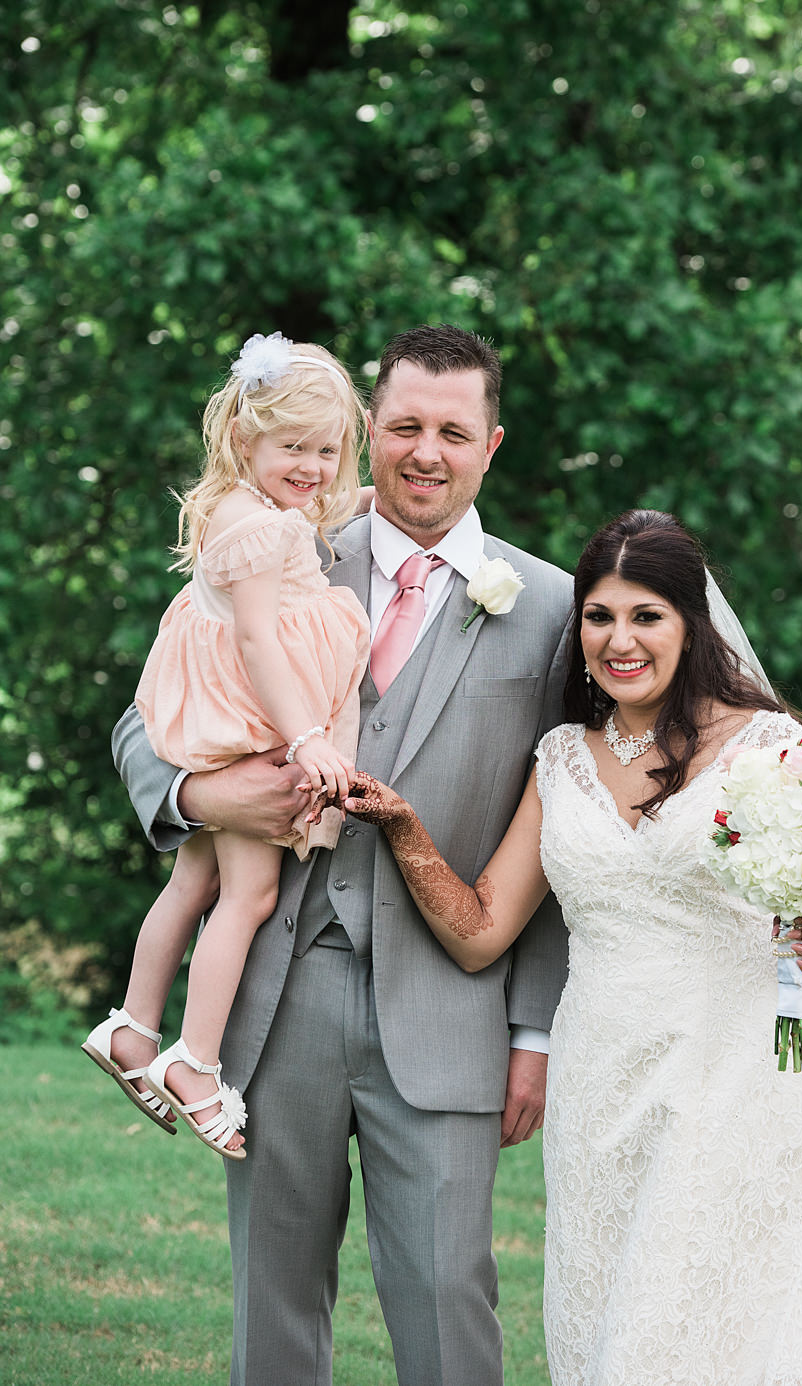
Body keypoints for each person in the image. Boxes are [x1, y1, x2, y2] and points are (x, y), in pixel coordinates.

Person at [111, 325, 573, 1385]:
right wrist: (199, 791)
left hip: (451, 1012)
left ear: (490, 445)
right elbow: (150, 712)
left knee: (450, 1302)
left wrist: (535, 1030)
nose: (425, 450)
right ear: (372, 428)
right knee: (271, 1303)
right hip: (279, 997)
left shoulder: (548, 607)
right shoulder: (280, 542)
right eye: (403, 425)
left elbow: (563, 832)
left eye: (452, 432)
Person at [345, 508, 802, 1386]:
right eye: (599, 616)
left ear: (691, 624)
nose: (619, 640)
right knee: (601, 1318)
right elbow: (480, 932)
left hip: (726, 1076)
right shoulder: (561, 760)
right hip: (598, 1078)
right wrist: (404, 829)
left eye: (645, 616)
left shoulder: (768, 749)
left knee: (676, 1327)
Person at [83, 333, 370, 1158]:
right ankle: (196, 1062)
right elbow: (255, 643)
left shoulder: (255, 512)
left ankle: (134, 1028)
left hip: (228, 723)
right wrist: (307, 735)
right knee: (247, 898)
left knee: (195, 879)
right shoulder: (256, 531)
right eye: (293, 447)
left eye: (327, 450)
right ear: (245, 441)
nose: (313, 467)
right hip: (249, 729)